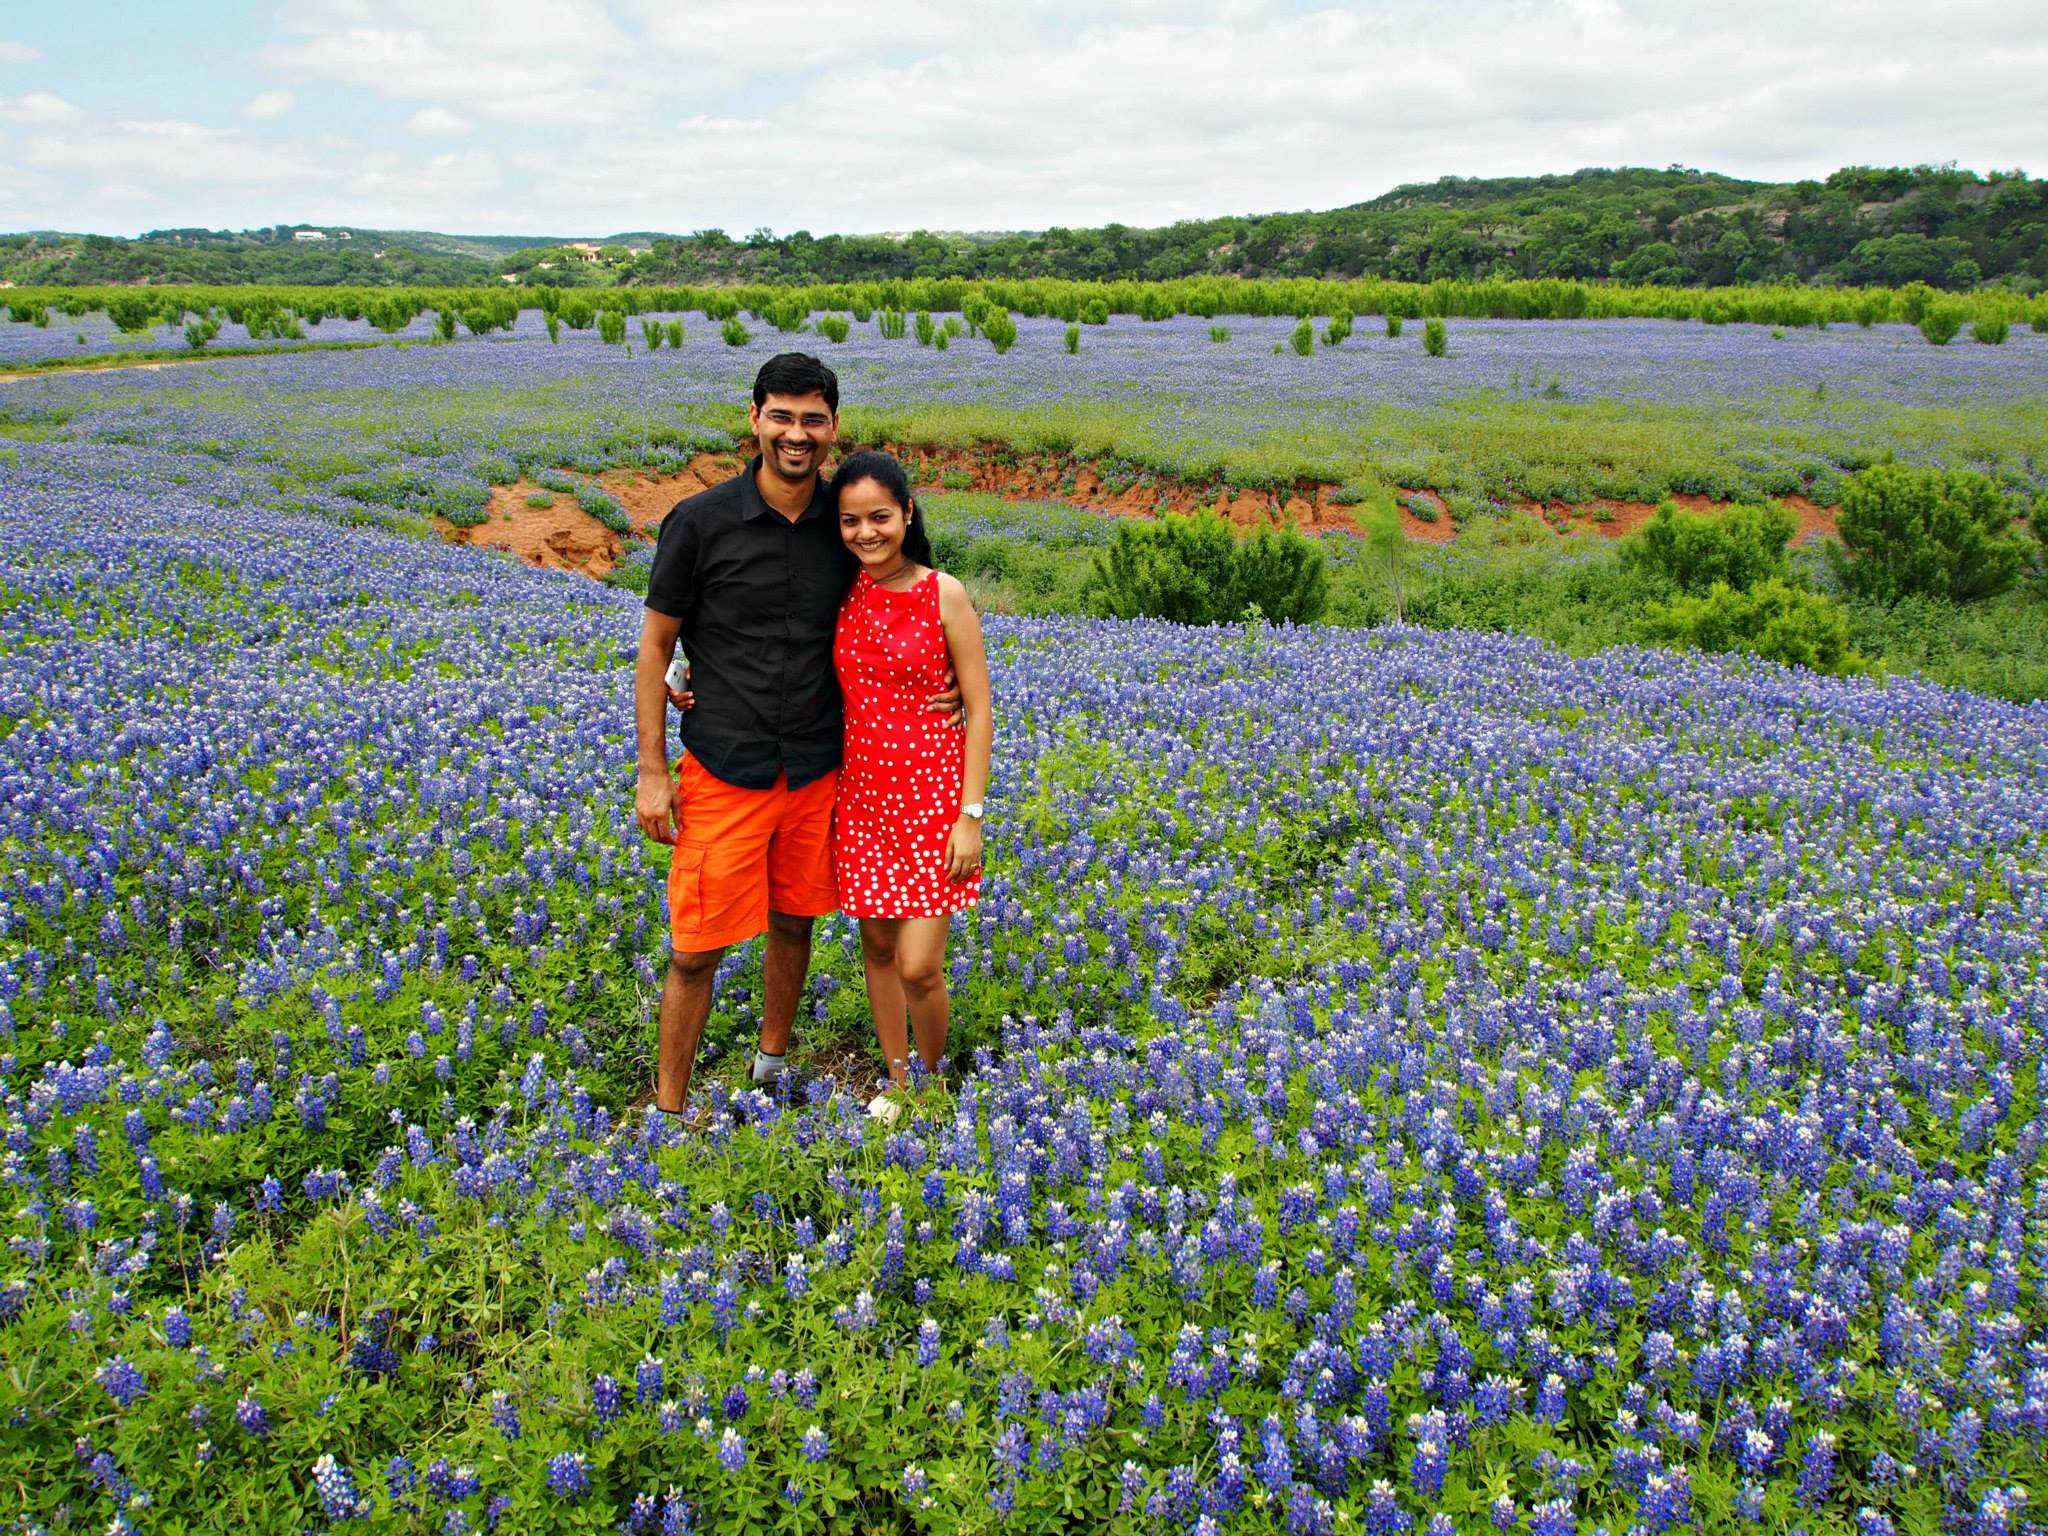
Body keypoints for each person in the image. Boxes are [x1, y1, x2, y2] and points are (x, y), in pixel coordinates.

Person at [633, 355, 953, 1116]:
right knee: (694, 947)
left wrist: (953, 692)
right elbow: (654, 646)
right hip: (725, 762)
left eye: (813, 418)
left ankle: (770, 1059)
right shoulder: (700, 521)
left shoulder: (845, 525)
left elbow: (911, 601)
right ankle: (669, 1109)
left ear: (833, 426)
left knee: (793, 919)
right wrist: (652, 767)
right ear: (755, 420)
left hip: (816, 763)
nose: (796, 433)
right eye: (781, 415)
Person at [829, 451, 992, 1114]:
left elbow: (979, 705)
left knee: (919, 964)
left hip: (932, 800)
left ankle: (933, 1082)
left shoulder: (942, 592)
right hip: (862, 795)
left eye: (879, 517)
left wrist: (970, 814)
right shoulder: (839, 590)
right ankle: (899, 1083)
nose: (866, 532)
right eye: (850, 521)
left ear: (906, 514)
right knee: (877, 945)